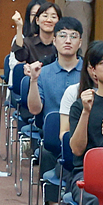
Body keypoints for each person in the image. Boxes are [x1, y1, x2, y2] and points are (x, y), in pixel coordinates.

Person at [24, 16, 86, 155]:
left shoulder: (89, 72)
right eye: (62, 36)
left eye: (73, 36)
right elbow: (34, 110)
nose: (68, 41)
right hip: (52, 137)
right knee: (46, 154)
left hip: (85, 135)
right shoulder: (43, 73)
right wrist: (33, 80)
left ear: (80, 42)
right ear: (54, 41)